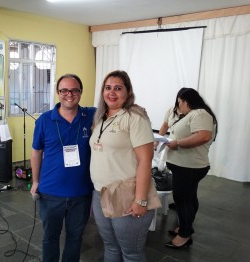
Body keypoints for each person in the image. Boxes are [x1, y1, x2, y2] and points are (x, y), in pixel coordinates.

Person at [90, 70, 155, 261]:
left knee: (131, 253)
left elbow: (145, 160)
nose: (112, 92)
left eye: (118, 88)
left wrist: (141, 200)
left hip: (126, 194)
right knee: (110, 247)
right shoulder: (101, 117)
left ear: (127, 92)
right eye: (108, 88)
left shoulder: (135, 117)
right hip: (100, 192)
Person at [30, 73, 95, 262]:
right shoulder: (44, 120)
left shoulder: (91, 115)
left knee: (75, 239)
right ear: (58, 93)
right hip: (50, 192)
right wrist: (35, 181)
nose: (69, 94)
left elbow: (115, 107)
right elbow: (36, 152)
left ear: (81, 92)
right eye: (64, 90)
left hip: (81, 193)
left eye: (74, 90)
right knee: (50, 238)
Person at [164, 87, 218, 249]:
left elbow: (203, 136)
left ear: (185, 101)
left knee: (183, 200)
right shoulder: (192, 114)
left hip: (190, 167)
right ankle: (185, 227)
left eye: (179, 103)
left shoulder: (200, 114)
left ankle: (184, 235)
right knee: (188, 197)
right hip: (185, 166)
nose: (178, 106)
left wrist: (178, 143)